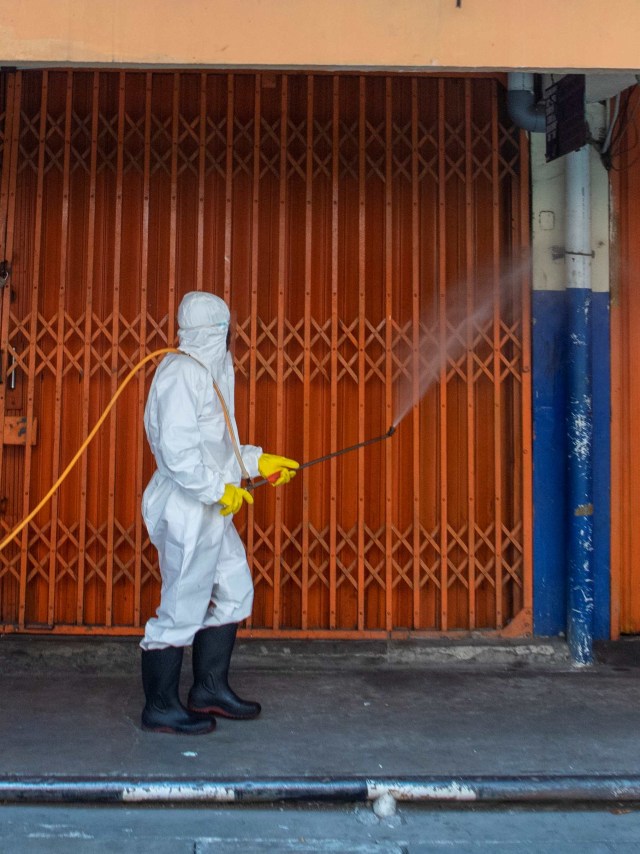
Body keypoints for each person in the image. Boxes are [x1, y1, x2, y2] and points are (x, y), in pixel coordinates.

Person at [139, 291, 298, 735]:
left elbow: (218, 447)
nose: (232, 340)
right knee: (182, 604)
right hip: (188, 507)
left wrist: (257, 462)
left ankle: (209, 689)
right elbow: (177, 453)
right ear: (216, 332)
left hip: (211, 505)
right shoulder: (180, 374)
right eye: (227, 332)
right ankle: (160, 706)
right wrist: (217, 489)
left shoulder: (211, 372)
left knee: (234, 589)